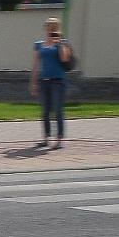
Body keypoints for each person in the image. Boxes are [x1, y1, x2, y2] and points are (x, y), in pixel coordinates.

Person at [30, 16, 72, 149]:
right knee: (45, 110)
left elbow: (64, 59)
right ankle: (46, 138)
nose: (51, 30)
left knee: (58, 110)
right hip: (44, 81)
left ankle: (59, 140)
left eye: (54, 28)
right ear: (45, 29)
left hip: (58, 82)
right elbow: (35, 65)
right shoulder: (39, 44)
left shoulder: (62, 43)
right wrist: (33, 83)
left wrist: (60, 43)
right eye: (49, 27)